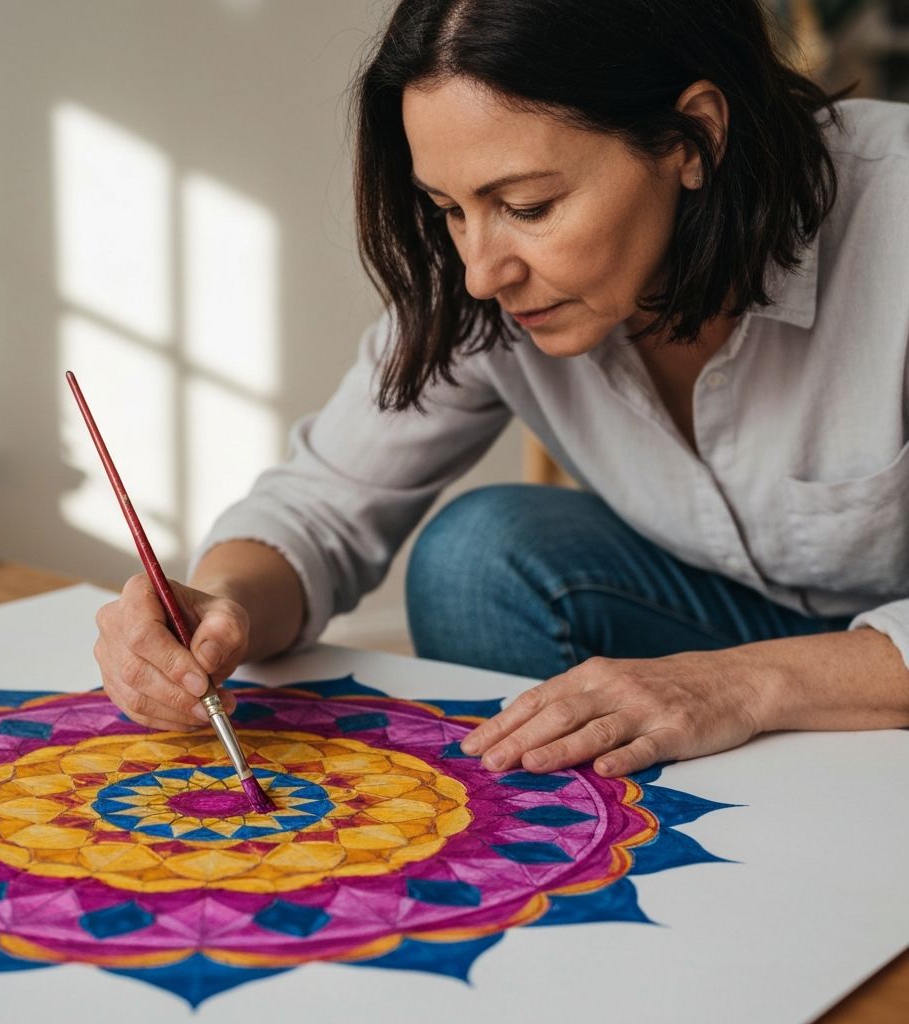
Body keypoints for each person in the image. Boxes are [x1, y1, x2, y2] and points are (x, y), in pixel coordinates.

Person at [95, 0, 909, 779]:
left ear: (692, 136)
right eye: (449, 209)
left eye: (527, 205)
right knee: (480, 558)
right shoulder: (483, 287)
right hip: (733, 617)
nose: (483, 273)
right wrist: (220, 609)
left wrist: (739, 686)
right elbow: (322, 505)